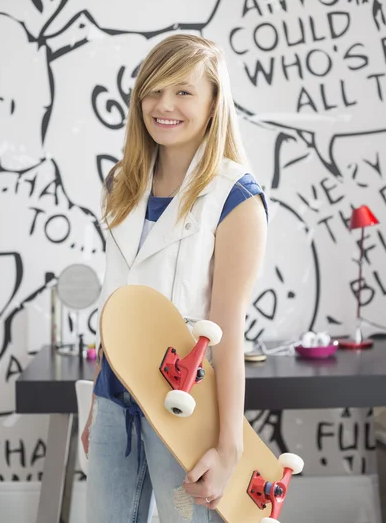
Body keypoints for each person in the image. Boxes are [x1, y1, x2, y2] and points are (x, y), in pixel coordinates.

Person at [83, 34, 268, 523]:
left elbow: (227, 332)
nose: (164, 105)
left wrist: (228, 447)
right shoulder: (122, 185)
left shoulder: (236, 198)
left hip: (185, 412)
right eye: (153, 90)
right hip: (112, 402)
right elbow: (116, 304)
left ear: (212, 104)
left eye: (183, 92)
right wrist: (95, 408)